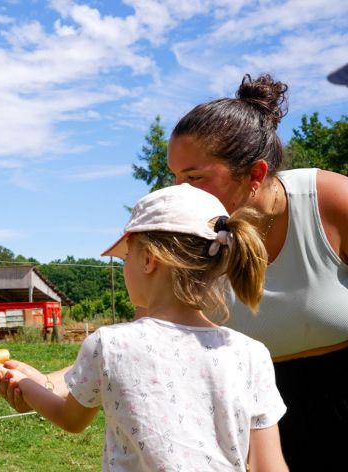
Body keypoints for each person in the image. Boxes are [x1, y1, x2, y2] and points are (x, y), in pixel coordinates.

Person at [0, 184, 288, 471]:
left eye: (125, 258)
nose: (124, 267)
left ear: (148, 259)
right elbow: (268, 466)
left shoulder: (110, 345)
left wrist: (23, 382)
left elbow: (71, 417)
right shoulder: (251, 354)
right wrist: (33, 381)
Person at [166, 74, 348, 471]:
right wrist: (43, 382)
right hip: (255, 430)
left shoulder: (332, 201)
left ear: (255, 173)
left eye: (194, 177)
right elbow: (148, 334)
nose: (179, 192)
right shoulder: (190, 235)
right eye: (175, 178)